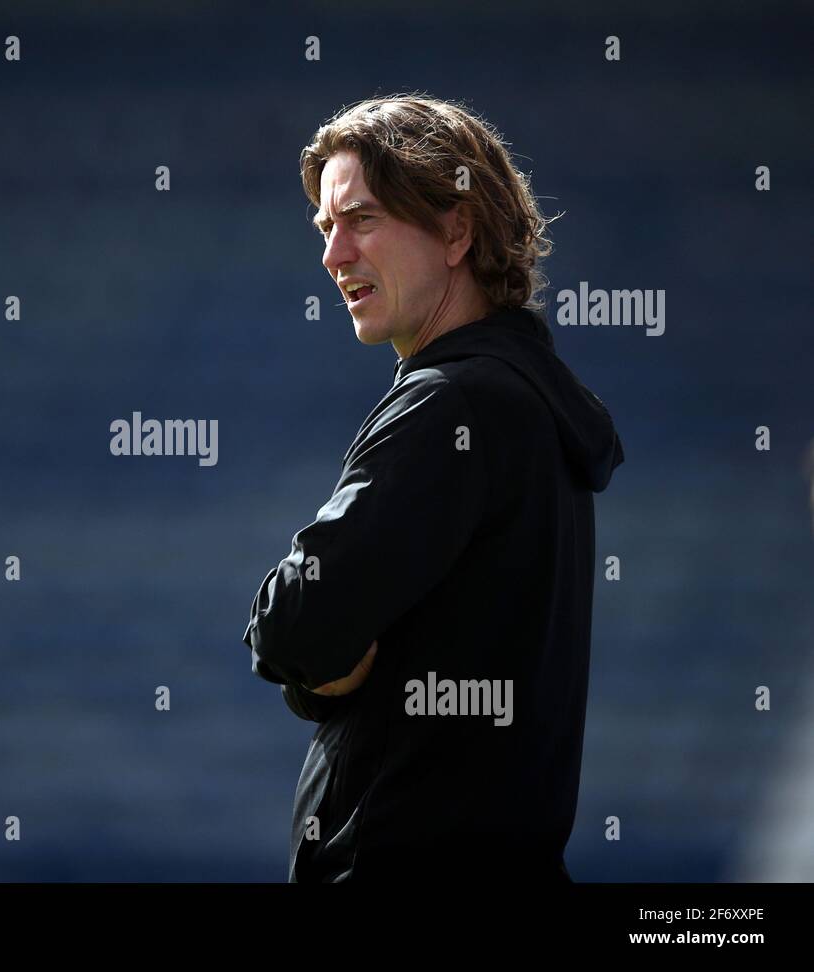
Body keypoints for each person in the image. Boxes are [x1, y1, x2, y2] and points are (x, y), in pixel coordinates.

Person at [242, 94, 624, 883]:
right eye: (324, 228)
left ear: (456, 229)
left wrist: (321, 663)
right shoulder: (523, 400)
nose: (332, 255)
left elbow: (291, 624)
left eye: (363, 219)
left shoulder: (454, 402)